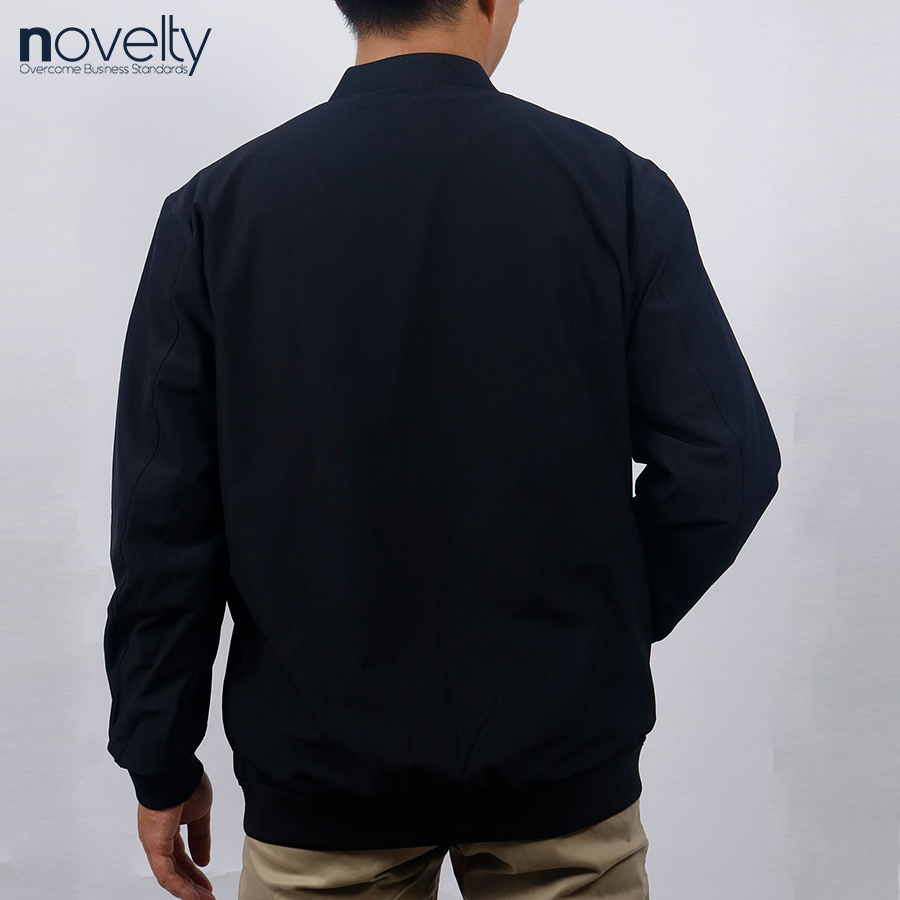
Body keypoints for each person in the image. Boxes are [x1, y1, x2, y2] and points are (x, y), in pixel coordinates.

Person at [102, 1, 782, 898]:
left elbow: (164, 519)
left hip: (321, 777)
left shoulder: (215, 210)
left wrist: (159, 753)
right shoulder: (615, 188)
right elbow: (728, 460)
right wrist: (596, 627)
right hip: (562, 768)